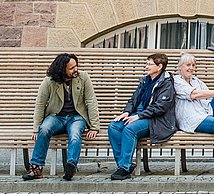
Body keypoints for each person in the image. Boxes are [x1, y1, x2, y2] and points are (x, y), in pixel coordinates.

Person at [24, 53, 100, 181]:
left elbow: (91, 101)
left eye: (76, 66)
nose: (75, 69)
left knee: (75, 134)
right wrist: (36, 128)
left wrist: (94, 127)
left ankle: (71, 166)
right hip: (56, 117)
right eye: (71, 68)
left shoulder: (83, 77)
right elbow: (40, 103)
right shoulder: (49, 81)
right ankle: (36, 167)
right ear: (61, 69)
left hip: (77, 117)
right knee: (44, 129)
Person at [108, 53, 177, 180]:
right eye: (147, 64)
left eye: (149, 64)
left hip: (155, 120)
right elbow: (133, 99)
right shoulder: (146, 80)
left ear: (159, 66)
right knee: (114, 127)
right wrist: (127, 112)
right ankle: (123, 165)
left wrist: (139, 116)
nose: (146, 67)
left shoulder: (167, 83)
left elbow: (160, 107)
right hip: (137, 116)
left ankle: (124, 167)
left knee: (130, 129)